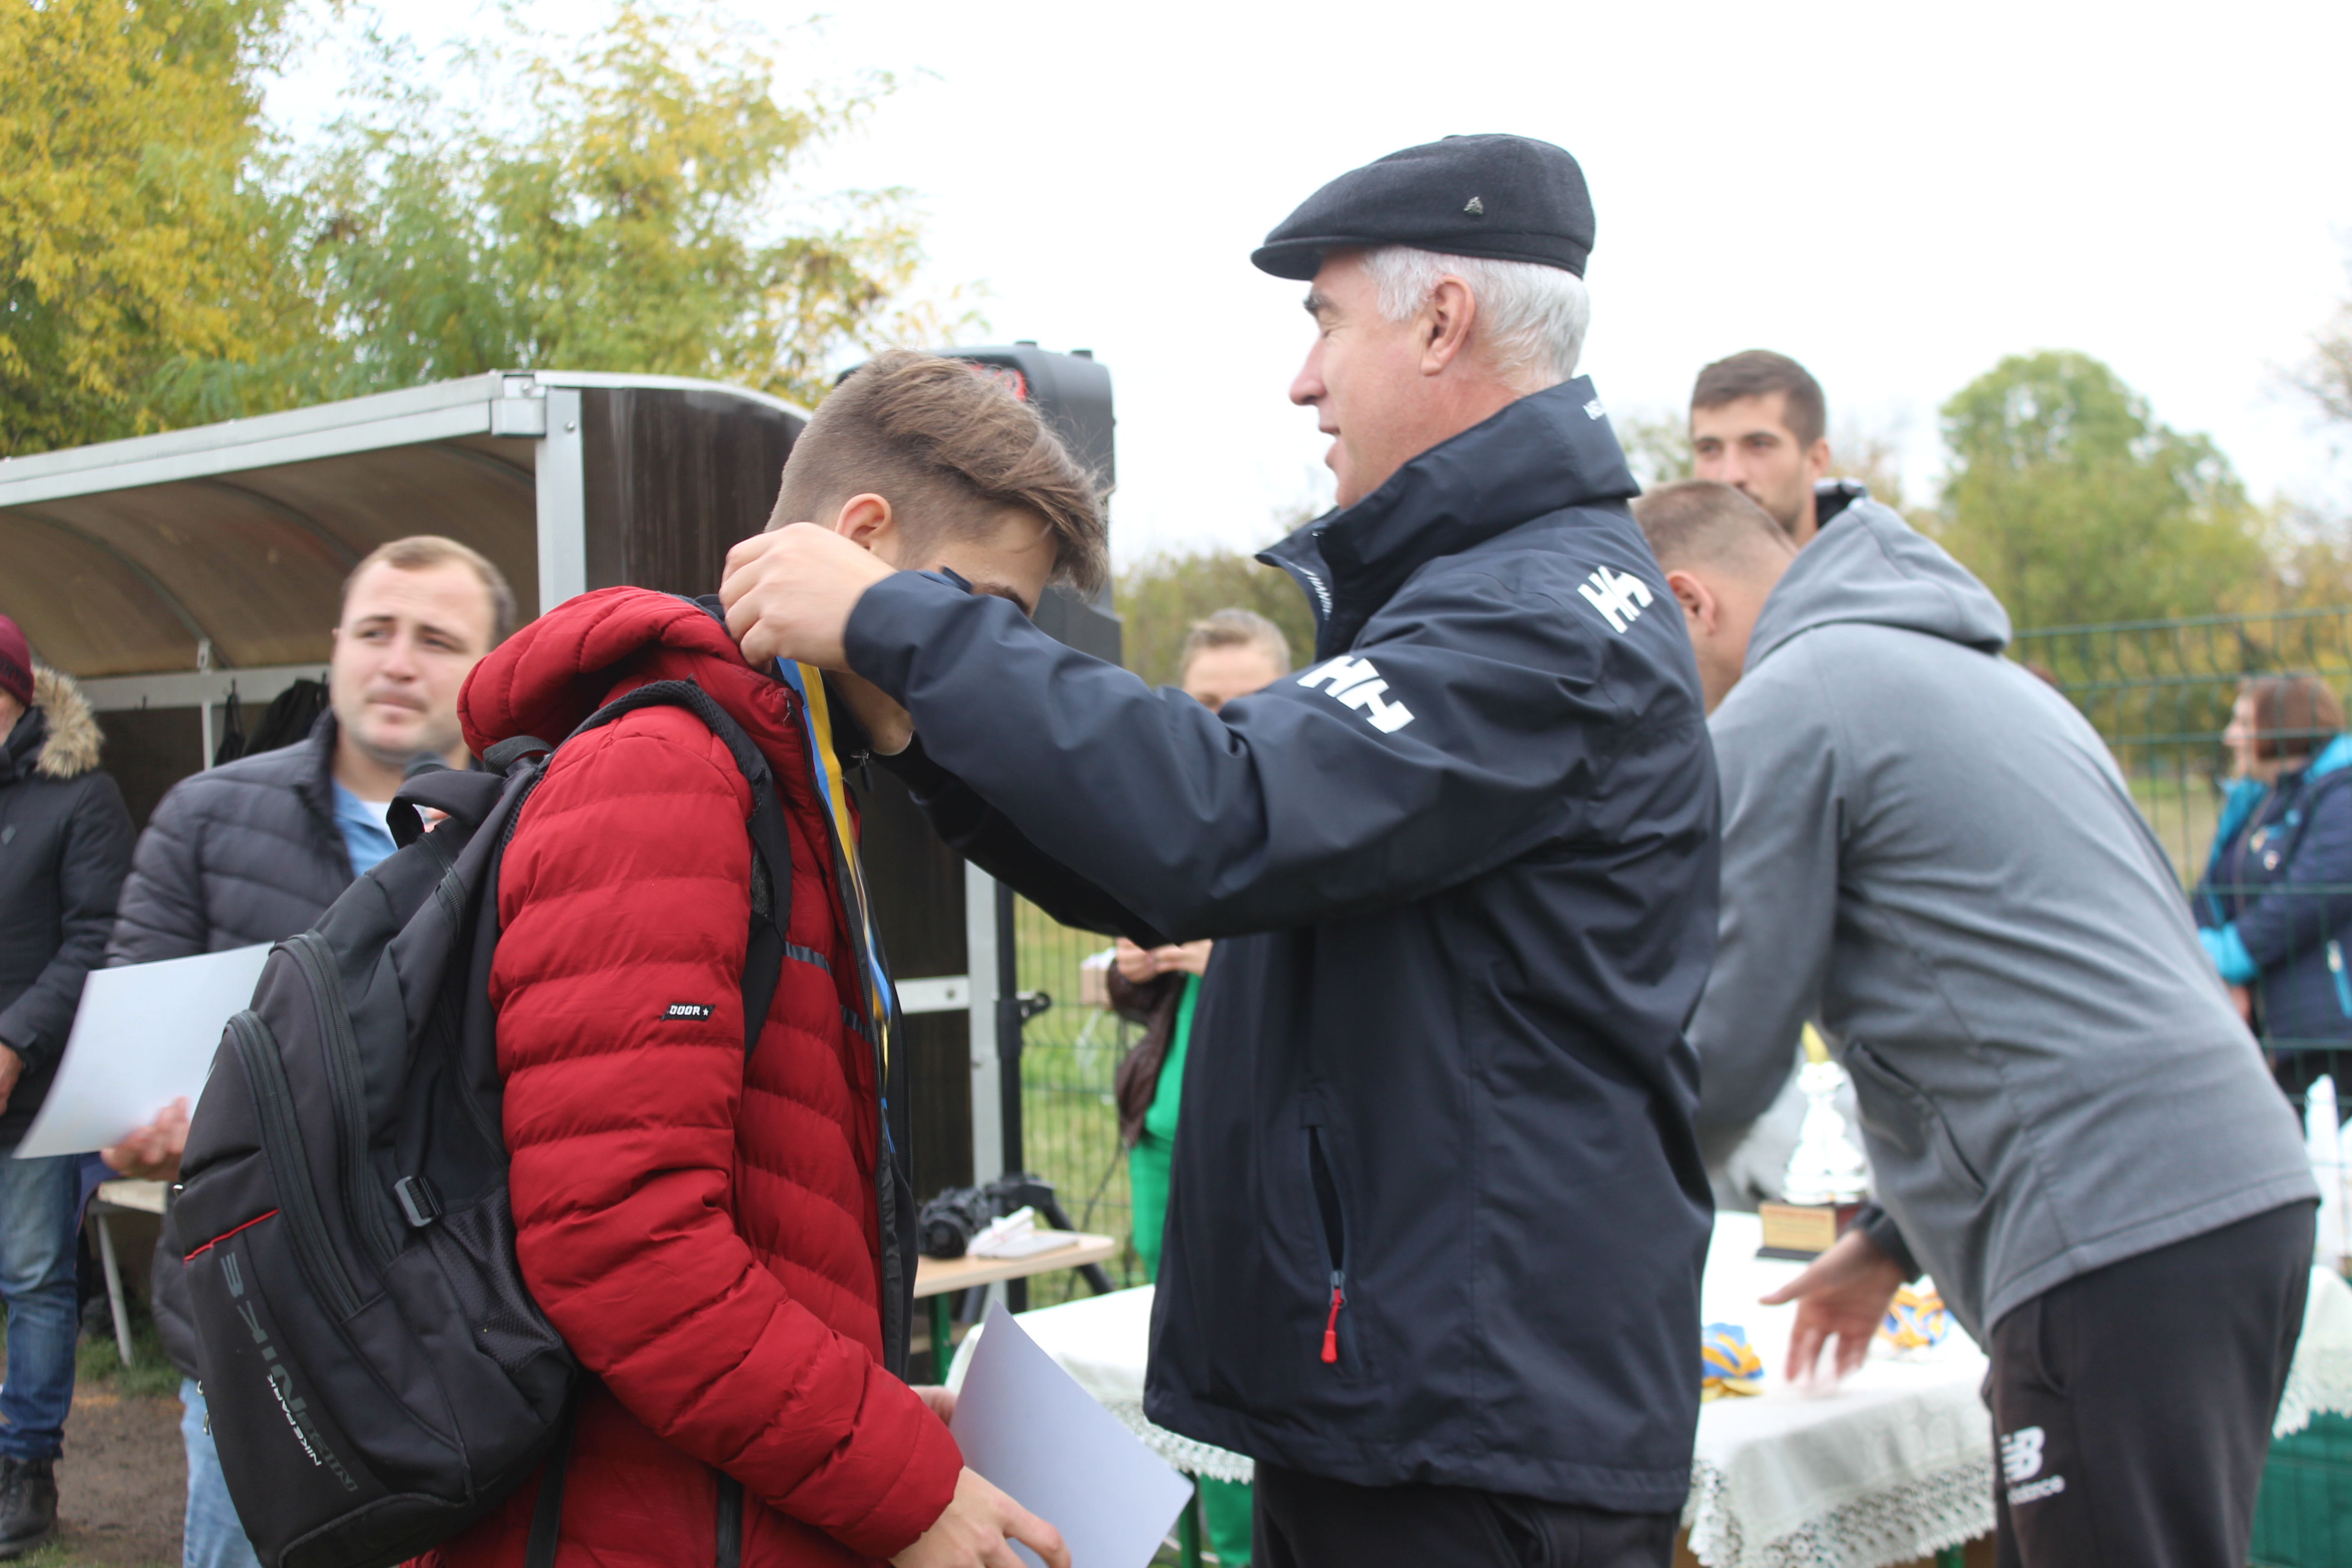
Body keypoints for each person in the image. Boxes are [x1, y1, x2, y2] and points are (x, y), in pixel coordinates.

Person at [722, 135, 1719, 1568]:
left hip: (1472, 1428)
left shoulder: (1542, 618)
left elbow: (1224, 809)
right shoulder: (1475, 599)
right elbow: (1168, 868)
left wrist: (900, 619)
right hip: (1411, 1403)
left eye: (1325, 323)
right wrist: (923, 728)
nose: (1303, 380)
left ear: (1442, 323)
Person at [423, 351, 1092, 1568]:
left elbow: (755, 1225)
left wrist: (872, 1407)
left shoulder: (787, 780)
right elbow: (620, 1244)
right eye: (987, 611)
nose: (990, 660)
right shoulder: (667, 771)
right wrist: (900, 1487)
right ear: (863, 538)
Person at [1635, 478, 2317, 1568]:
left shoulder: (1789, 702)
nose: (1647, 694)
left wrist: (1566, 1219)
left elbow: (1722, 1044)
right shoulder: (1975, 673)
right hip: (2238, 1193)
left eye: (1639, 652)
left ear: (1689, 601)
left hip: (2105, 1221)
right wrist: (1888, 1242)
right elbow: (2042, 984)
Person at [100, 536, 514, 1568]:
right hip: (262, 1350)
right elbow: (130, 1064)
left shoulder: (528, 833)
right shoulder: (207, 819)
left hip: (472, 1341)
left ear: (491, 665)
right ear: (335, 646)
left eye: (436, 640)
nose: (397, 662)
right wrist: (149, 1124)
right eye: (374, 631)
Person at [1106, 610, 1290, 1568]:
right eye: (1209, 703)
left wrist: (1234, 960)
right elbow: (1127, 983)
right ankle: (1200, 1544)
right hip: (1160, 1139)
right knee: (1168, 1357)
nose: (1228, 723)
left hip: (1259, 1157)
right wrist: (1133, 967)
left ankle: (1253, 1545)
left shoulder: (1316, 824)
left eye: (1249, 702)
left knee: (1254, 1367)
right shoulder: (1171, 823)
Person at [0, 615, 135, 1557]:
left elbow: (98, 939)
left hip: (36, 1091)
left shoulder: (82, 798)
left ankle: (26, 1469)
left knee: (34, 1279)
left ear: (15, 694)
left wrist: (14, 1038)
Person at [2195, 674, 2352, 1094]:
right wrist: (2215, 964)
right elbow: (2212, 891)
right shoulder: (2255, 802)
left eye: (2244, 724)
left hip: (2330, 1034)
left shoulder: (2342, 795)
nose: (2230, 738)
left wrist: (2225, 957)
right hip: (2268, 1030)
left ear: (2282, 727)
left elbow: (2309, 898)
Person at [1688, 349, 1864, 546]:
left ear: (1816, 461)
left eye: (1759, 445)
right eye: (1709, 449)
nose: (1730, 476)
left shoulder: (1880, 561)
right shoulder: (1664, 561)